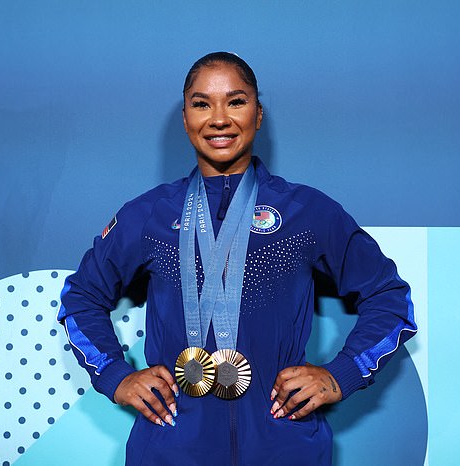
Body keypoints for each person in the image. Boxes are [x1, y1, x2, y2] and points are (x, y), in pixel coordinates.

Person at [58, 52, 417, 465]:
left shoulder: (306, 211)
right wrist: (115, 375)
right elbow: (81, 296)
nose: (219, 119)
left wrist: (342, 373)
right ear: (186, 118)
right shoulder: (150, 214)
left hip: (286, 450)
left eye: (236, 101)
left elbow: (390, 299)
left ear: (258, 114)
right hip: (170, 450)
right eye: (201, 103)